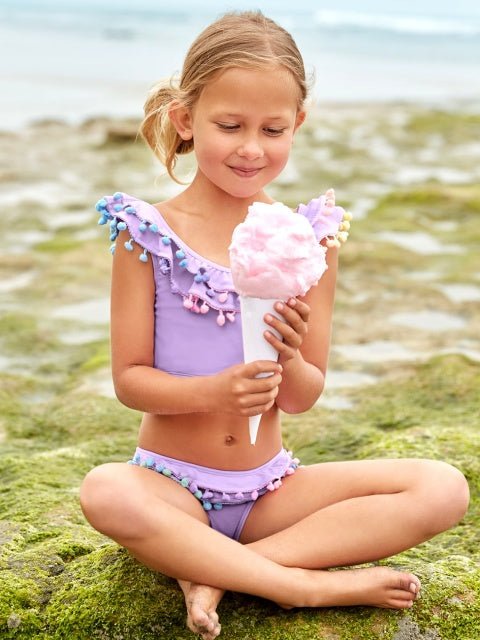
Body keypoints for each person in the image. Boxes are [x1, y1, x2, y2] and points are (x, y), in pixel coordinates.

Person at [80, 11, 469, 640]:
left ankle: (220, 571)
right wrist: (214, 391)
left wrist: (289, 359)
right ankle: (300, 585)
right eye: (229, 125)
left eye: (273, 129)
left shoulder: (310, 240)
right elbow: (130, 381)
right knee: (104, 490)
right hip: (170, 489)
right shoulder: (147, 235)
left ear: (298, 124)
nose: (252, 148)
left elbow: (303, 396)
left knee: (443, 487)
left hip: (270, 496)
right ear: (185, 119)